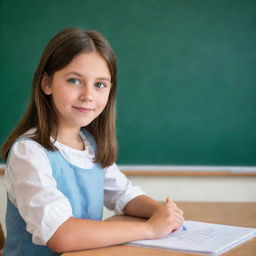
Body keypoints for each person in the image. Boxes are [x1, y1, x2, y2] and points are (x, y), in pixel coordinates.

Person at [1, 28, 184, 255]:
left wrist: (161, 212)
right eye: (75, 80)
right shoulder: (28, 153)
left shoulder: (89, 144)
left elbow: (122, 194)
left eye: (100, 85)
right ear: (46, 83)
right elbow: (61, 235)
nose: (88, 95)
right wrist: (149, 228)